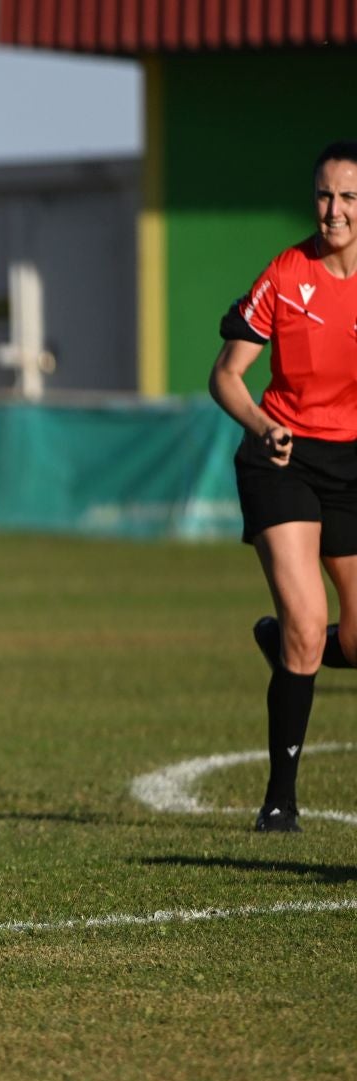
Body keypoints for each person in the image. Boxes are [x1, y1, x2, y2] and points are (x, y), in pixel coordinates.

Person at [210, 139, 357, 834]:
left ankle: (293, 649)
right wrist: (262, 425)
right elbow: (226, 376)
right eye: (325, 195)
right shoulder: (286, 273)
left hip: (352, 464)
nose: (334, 210)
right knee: (305, 623)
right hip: (284, 457)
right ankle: (279, 803)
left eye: (349, 197)